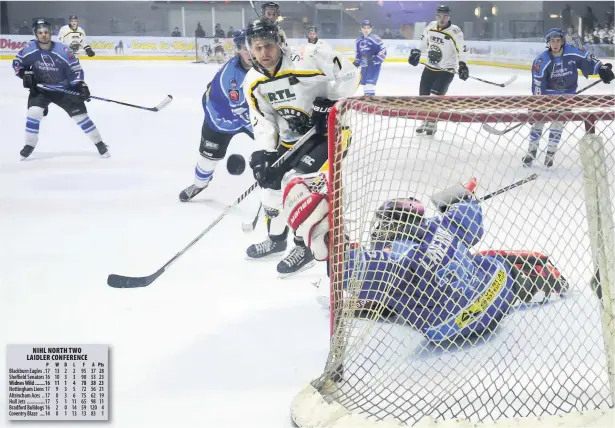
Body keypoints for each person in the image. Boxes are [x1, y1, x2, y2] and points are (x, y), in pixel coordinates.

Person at [282, 174, 569, 342]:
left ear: (398, 223)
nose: (380, 230)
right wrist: (461, 196)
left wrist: (325, 234)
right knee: (483, 260)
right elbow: (470, 216)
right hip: (495, 291)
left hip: (449, 325)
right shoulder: (441, 226)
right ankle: (534, 277)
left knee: (402, 290)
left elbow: (352, 269)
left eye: (385, 223)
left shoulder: (394, 257)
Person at [243, 18, 360, 277]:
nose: (264, 53)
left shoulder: (309, 55)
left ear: (280, 42)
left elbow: (350, 73)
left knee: (300, 187)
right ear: (250, 49)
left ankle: (303, 247)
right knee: (271, 187)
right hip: (291, 140)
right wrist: (264, 153)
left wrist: (331, 102)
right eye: (258, 47)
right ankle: (276, 240)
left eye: (269, 45)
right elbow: (263, 120)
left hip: (330, 134)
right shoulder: (252, 81)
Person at [12, 19, 107, 160]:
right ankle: (30, 144)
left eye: (46, 32)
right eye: (40, 32)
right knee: (34, 113)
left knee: (81, 118)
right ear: (36, 34)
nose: (43, 35)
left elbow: (75, 69)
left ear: (50, 33)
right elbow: (17, 63)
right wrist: (24, 74)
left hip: (64, 90)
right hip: (41, 89)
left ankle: (99, 143)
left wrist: (81, 85)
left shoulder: (63, 50)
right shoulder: (28, 49)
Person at [179, 30, 254, 202]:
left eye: (252, 47)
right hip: (221, 119)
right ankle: (199, 184)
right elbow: (241, 113)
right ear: (238, 50)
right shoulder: (231, 78)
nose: (249, 53)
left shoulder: (263, 64)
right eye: (244, 48)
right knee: (207, 159)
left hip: (248, 113)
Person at [522, 28, 613, 168]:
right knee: (538, 121)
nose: (555, 43)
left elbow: (587, 58)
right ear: (548, 43)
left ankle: (550, 154)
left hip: (567, 96)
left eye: (558, 40)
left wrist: (601, 69)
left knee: (558, 123)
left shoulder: (572, 51)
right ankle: (531, 151)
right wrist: (536, 105)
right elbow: (538, 85)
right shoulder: (541, 61)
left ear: (563, 41)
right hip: (548, 96)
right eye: (552, 41)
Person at [408, 5, 467, 136]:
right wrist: (417, 52)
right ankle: (423, 120)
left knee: (435, 97)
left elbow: (462, 50)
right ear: (436, 16)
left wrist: (462, 65)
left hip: (446, 70)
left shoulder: (455, 31)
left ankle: (432, 122)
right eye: (440, 15)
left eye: (445, 15)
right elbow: (423, 42)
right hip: (430, 67)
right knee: (423, 97)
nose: (442, 18)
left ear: (449, 16)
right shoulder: (431, 26)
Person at [354, 20, 386, 96]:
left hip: (373, 67)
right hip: (364, 66)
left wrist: (375, 60)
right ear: (361, 29)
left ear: (371, 29)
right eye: (364, 28)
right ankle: (367, 103)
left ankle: (370, 104)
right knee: (365, 85)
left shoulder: (376, 39)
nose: (366, 30)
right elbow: (358, 53)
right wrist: (356, 62)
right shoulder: (358, 40)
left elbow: (383, 51)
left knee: (369, 85)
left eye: (368, 28)